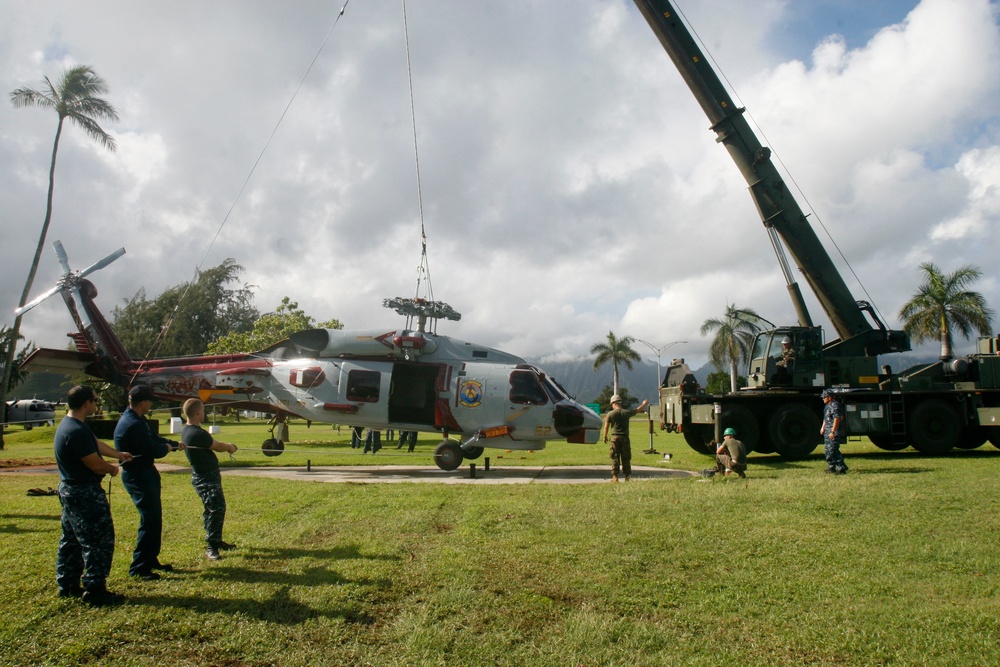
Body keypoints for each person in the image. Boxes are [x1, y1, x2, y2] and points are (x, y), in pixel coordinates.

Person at [54, 385, 132, 607]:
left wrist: (117, 454)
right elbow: (94, 463)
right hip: (84, 492)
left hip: (70, 490)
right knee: (98, 541)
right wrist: (111, 468)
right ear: (86, 403)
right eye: (95, 401)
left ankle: (67, 584)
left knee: (71, 540)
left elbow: (95, 445)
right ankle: (95, 589)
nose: (96, 404)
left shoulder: (72, 425)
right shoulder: (76, 431)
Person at [114, 385, 182, 581]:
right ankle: (139, 566)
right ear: (143, 403)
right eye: (150, 401)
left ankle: (151, 558)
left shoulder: (138, 419)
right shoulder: (132, 424)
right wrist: (167, 448)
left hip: (146, 473)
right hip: (137, 475)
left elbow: (154, 438)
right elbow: (152, 448)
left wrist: (174, 444)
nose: (151, 404)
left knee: (154, 518)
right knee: (149, 519)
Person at [181, 398, 238, 561]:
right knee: (216, 509)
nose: (204, 414)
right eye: (203, 411)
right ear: (198, 412)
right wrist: (230, 447)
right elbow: (218, 446)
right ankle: (211, 546)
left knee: (213, 508)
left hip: (207, 476)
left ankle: (216, 540)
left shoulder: (188, 430)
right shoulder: (197, 434)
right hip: (205, 478)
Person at [602, 394, 649, 482]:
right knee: (626, 457)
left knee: (615, 457)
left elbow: (606, 426)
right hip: (625, 438)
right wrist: (644, 403)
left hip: (614, 438)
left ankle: (615, 477)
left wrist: (604, 436)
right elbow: (638, 410)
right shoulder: (626, 412)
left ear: (614, 403)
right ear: (620, 402)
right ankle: (627, 476)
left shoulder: (610, 414)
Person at [820, 389, 848, 474]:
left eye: (824, 397)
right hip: (827, 430)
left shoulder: (835, 405)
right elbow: (826, 418)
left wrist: (832, 431)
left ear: (830, 397)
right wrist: (823, 427)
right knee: (827, 450)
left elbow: (837, 418)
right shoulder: (827, 406)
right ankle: (831, 466)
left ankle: (841, 467)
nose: (823, 399)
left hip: (833, 431)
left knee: (833, 449)